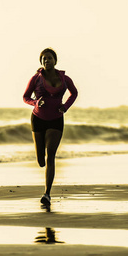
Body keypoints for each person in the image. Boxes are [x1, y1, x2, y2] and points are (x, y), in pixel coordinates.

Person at [23, 48, 78, 206]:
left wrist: (65, 107)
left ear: (55, 60)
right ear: (41, 62)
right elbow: (25, 97)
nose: (47, 61)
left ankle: (47, 194)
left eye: (49, 58)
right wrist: (35, 102)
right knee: (41, 159)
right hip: (38, 118)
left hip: (56, 119)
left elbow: (74, 93)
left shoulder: (65, 78)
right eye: (44, 59)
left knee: (51, 156)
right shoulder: (36, 79)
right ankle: (40, 159)